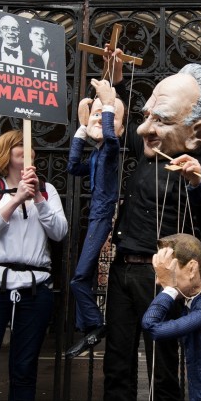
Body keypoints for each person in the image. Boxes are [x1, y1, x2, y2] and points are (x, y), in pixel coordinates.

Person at [103, 47, 201, 401]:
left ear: (198, 133)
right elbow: (116, 125)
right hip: (123, 269)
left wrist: (197, 184)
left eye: (162, 119)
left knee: (163, 364)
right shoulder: (146, 149)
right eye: (147, 117)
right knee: (117, 361)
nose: (146, 128)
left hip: (162, 276)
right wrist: (115, 79)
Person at [0, 129, 68, 400]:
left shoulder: (47, 190)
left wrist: (38, 199)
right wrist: (15, 199)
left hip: (34, 289)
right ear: (7, 158)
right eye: (21, 155)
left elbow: (60, 232)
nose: (28, 161)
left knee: (24, 370)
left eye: (31, 155)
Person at [65, 78, 125, 359]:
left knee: (78, 278)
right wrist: (81, 130)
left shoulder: (111, 151)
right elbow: (72, 166)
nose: (100, 119)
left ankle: (95, 326)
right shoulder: (97, 154)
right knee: (83, 276)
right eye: (96, 115)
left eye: (106, 116)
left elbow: (112, 138)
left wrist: (109, 104)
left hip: (102, 216)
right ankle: (86, 328)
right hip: (95, 217)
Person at [142, 234, 201, 401]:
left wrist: (170, 289)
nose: (160, 282)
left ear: (191, 269)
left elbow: (151, 325)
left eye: (168, 272)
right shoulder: (189, 308)